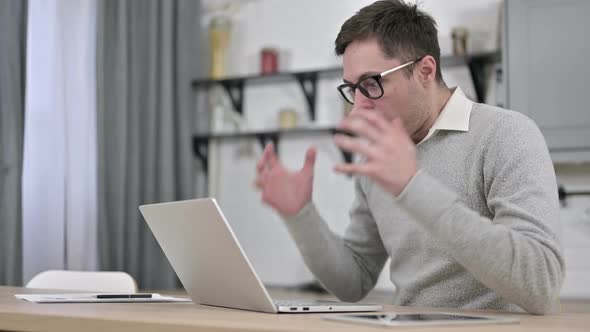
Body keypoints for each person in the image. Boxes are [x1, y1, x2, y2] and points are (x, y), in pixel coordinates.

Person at [254, 0, 564, 315]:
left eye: (371, 84)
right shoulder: (378, 160)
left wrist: (412, 187)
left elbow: (540, 284)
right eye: (352, 89)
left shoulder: (505, 134)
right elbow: (354, 280)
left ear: (425, 71)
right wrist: (301, 216)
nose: (359, 106)